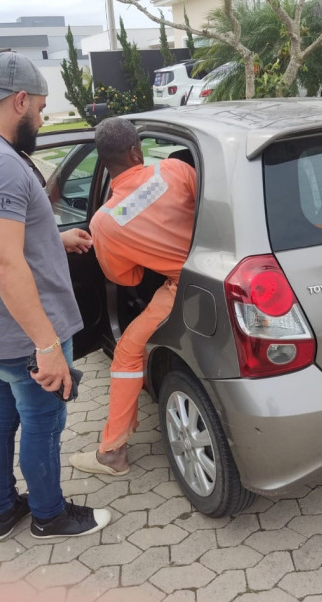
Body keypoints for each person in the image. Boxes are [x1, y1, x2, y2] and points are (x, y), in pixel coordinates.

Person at [0, 51, 110, 541]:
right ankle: (50, 515)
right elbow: (2, 262)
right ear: (18, 101)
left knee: (1, 413)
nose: (41, 117)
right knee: (43, 422)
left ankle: (1, 510)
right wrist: (47, 344)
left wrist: (53, 240)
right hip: (23, 331)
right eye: (39, 107)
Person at [70, 117, 196, 476]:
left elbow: (125, 276)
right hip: (212, 273)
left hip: (180, 288)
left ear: (105, 161)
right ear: (136, 151)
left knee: (126, 352)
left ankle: (112, 452)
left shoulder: (104, 222)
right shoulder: (175, 169)